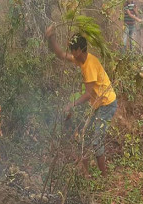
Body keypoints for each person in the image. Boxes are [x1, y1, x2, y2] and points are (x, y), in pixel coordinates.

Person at [45, 25, 118, 176]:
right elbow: (61, 55)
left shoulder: (90, 65)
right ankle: (86, 175)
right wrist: (51, 37)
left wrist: (70, 105)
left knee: (97, 142)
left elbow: (88, 95)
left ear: (79, 50)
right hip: (99, 104)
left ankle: (104, 177)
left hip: (107, 104)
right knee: (84, 137)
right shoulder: (82, 59)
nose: (71, 52)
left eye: (73, 49)